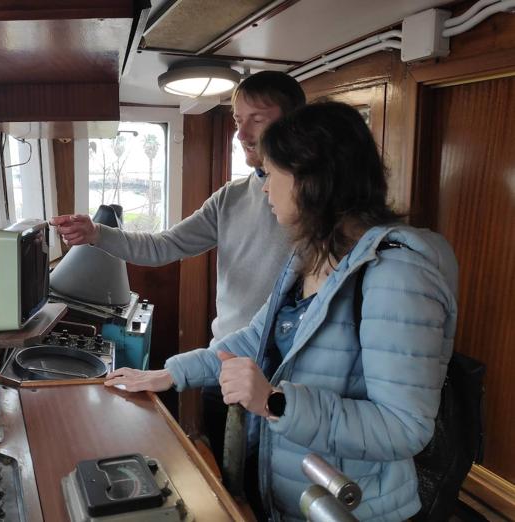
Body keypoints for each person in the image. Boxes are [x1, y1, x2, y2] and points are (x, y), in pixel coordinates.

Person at [104, 101, 458, 521]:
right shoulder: (309, 256)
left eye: (271, 174)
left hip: (358, 508)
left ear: (312, 178)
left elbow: (404, 428)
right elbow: (255, 339)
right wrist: (170, 373)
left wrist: (275, 403)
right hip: (296, 497)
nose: (265, 188)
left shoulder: (396, 274)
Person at [51, 72, 305, 464]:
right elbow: (165, 245)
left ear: (294, 123)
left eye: (258, 119)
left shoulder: (321, 210)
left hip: (290, 377)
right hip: (225, 362)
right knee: (229, 482)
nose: (242, 134)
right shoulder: (232, 197)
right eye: (238, 121)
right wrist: (97, 233)